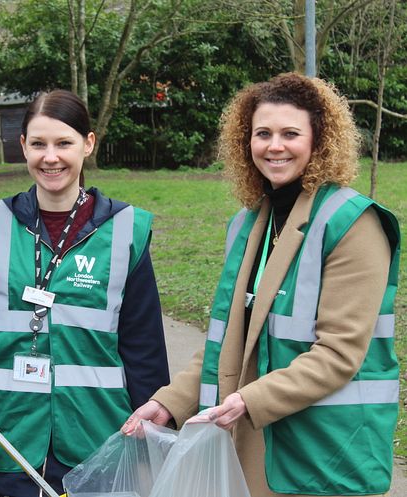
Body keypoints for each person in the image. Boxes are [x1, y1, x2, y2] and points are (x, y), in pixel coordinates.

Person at [122, 72, 400, 497]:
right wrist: (170, 402)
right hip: (258, 444)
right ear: (244, 141)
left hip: (329, 448)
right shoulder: (249, 223)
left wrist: (248, 400)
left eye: (290, 133)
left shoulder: (354, 223)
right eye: (262, 133)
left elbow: (340, 353)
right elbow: (227, 341)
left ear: (319, 140)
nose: (274, 146)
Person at [0, 89, 170, 497]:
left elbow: (144, 345)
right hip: (5, 442)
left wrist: (152, 443)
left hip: (100, 443)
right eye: (39, 144)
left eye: (64, 143)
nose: (51, 157)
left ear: (88, 144)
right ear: (22, 146)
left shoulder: (126, 230)